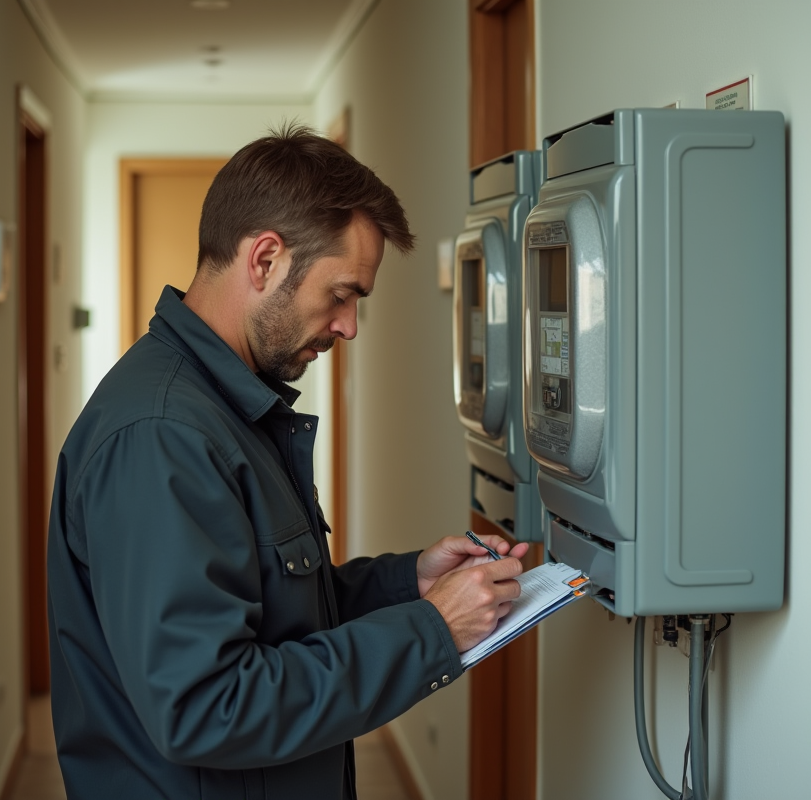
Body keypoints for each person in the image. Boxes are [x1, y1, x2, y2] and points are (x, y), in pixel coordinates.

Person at [47, 123, 528, 800]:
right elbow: (207, 706)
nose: (349, 327)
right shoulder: (163, 437)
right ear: (265, 260)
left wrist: (408, 584)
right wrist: (431, 631)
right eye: (341, 294)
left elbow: (268, 609)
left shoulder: (224, 409)